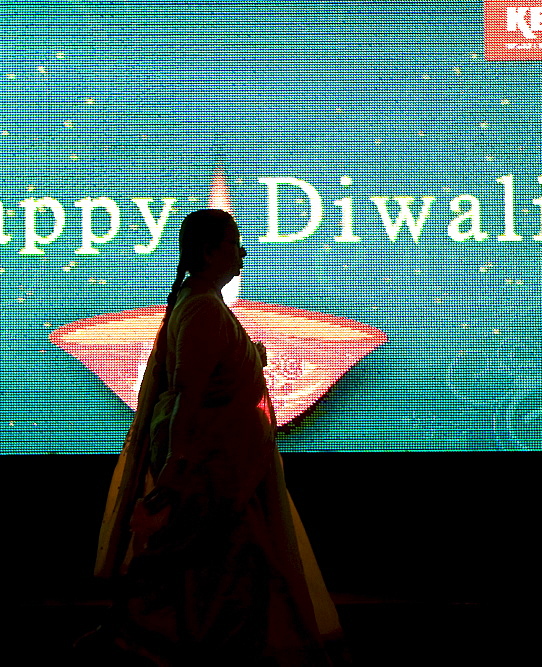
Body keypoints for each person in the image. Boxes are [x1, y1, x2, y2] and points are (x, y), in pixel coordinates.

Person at [76, 209, 345, 666]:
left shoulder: (202, 304)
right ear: (207, 251)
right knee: (213, 570)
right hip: (210, 472)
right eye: (232, 241)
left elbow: (204, 377)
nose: (242, 250)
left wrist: (247, 357)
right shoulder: (200, 307)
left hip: (227, 470)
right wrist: (177, 471)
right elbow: (187, 393)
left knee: (224, 573)